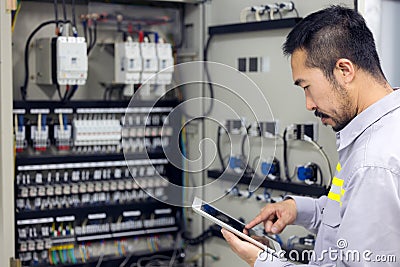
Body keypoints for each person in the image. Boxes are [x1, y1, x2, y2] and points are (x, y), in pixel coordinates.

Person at [221, 5, 400, 266]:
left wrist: (262, 261)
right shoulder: (378, 131)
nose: (309, 104)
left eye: (307, 87)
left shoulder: (372, 163)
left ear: (344, 71)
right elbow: (350, 211)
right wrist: (298, 209)